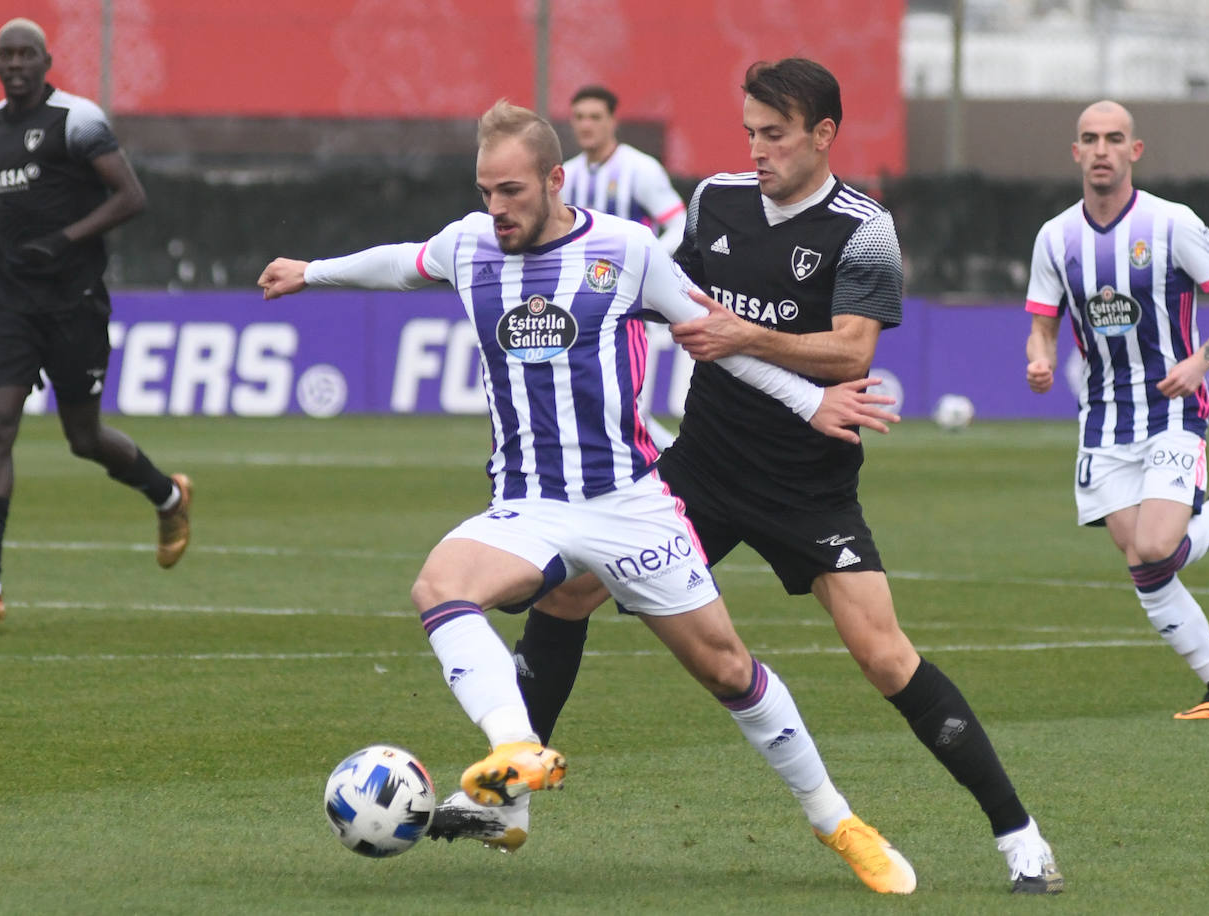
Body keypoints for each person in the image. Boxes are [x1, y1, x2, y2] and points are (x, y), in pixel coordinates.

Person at [258, 99, 922, 894]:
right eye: (485, 192)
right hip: (528, 505)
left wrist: (810, 400)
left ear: (554, 179)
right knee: (439, 586)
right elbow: (403, 261)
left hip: (630, 501)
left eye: (511, 191)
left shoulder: (626, 248)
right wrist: (312, 273)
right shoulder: (470, 245)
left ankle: (837, 822)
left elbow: (713, 334)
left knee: (728, 672)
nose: (496, 209)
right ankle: (515, 750)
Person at [453, 59, 1063, 895]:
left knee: (886, 659)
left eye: (774, 135)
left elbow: (851, 351)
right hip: (699, 468)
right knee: (567, 595)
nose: (758, 150)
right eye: (750, 133)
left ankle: (1019, 836)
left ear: (823, 135)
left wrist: (743, 335)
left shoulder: (864, 227)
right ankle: (511, 791)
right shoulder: (717, 201)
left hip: (808, 485)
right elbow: (656, 285)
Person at [1024, 100, 1209, 720]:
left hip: (1172, 411)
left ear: (1135, 151)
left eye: (1113, 139)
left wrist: (1201, 363)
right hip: (1102, 419)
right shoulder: (1055, 237)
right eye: (1089, 139)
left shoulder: (1172, 223)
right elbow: (1042, 325)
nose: (1101, 149)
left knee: (1157, 547)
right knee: (1145, 569)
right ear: (1075, 153)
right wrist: (1039, 360)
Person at [0, 18, 191, 626]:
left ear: (45, 61)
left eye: (26, 55)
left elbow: (130, 196)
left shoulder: (79, 119)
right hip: (12, 298)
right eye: (6, 56)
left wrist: (63, 241)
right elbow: (12, 199)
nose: (16, 65)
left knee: (83, 438)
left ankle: (167, 496)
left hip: (74, 301)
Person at [562, 84, 686, 449]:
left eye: (595, 117)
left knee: (628, 407)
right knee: (599, 404)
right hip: (582, 301)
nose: (586, 125)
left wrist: (644, 264)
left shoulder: (640, 169)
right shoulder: (566, 176)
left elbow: (678, 223)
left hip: (627, 299)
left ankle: (677, 463)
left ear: (613, 121)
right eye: (579, 118)